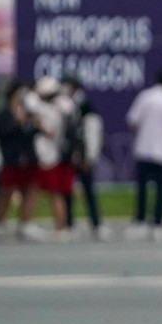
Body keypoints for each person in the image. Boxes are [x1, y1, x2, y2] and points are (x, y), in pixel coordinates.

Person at [126, 68, 162, 241]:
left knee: (142, 188)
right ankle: (158, 223)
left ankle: (141, 220)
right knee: (161, 190)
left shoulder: (145, 97)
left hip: (144, 148)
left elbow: (133, 121)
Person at [24, 76, 76, 240]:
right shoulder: (61, 108)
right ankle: (57, 225)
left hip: (45, 157)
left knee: (49, 192)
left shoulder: (48, 110)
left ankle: (58, 226)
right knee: (44, 191)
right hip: (50, 156)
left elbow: (30, 101)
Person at [0, 81, 45, 240]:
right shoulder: (4, 113)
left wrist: (34, 123)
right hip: (11, 158)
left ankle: (26, 223)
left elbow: (32, 132)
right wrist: (17, 121)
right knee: (7, 191)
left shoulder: (27, 111)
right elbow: (3, 133)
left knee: (31, 189)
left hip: (28, 157)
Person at [62, 76, 108, 240]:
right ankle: (68, 223)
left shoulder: (84, 106)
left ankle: (96, 223)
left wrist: (88, 157)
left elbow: (91, 132)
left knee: (88, 190)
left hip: (83, 155)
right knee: (67, 191)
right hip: (70, 155)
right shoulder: (66, 103)